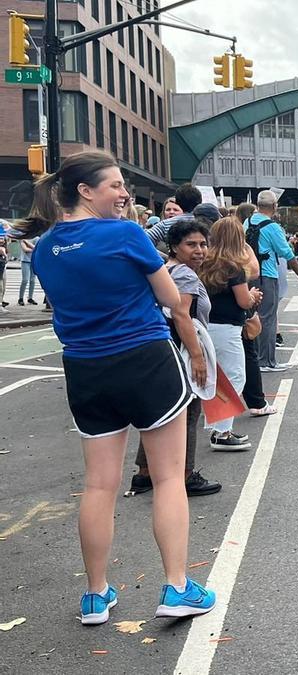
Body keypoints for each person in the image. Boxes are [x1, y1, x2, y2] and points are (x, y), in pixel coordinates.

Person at [19, 151, 216, 625]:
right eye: (114, 185)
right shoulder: (125, 234)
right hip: (145, 359)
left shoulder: (45, 248)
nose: (124, 193)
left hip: (86, 368)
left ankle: (95, 594)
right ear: (86, 192)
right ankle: (176, 586)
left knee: (99, 485)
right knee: (169, 477)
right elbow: (170, 299)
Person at [129, 209, 223, 497]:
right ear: (174, 247)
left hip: (160, 347)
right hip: (181, 348)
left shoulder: (166, 269)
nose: (199, 251)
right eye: (191, 245)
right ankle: (185, 474)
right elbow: (182, 315)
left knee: (160, 410)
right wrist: (197, 357)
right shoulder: (184, 275)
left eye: (203, 244)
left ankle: (145, 473)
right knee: (188, 410)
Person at [199, 216, 263, 449]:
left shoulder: (204, 262)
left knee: (212, 377)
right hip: (227, 328)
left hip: (204, 326)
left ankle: (217, 426)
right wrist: (254, 296)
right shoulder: (234, 267)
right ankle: (222, 431)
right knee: (235, 377)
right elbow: (244, 301)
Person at [245, 190, 298, 371]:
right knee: (268, 318)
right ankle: (266, 361)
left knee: (252, 316)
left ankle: (255, 358)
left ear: (258, 205)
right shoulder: (272, 227)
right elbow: (287, 254)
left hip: (248, 276)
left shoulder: (247, 222)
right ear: (275, 207)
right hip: (267, 275)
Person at [18, 235, 38, 305]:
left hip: (34, 260)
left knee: (32, 280)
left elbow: (37, 248)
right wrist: (34, 249)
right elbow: (25, 249)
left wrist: (26, 242)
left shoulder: (36, 238)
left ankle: (30, 298)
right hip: (25, 261)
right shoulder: (22, 238)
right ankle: (20, 298)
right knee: (25, 280)